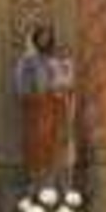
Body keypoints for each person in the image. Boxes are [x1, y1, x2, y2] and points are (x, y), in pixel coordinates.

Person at [14, 23, 75, 182]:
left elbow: (66, 81)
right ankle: (37, 178)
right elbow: (20, 83)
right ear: (36, 39)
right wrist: (30, 95)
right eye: (42, 36)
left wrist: (64, 89)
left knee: (55, 142)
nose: (45, 40)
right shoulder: (27, 60)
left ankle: (52, 177)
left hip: (54, 106)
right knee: (37, 142)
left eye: (48, 37)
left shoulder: (55, 60)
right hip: (36, 107)